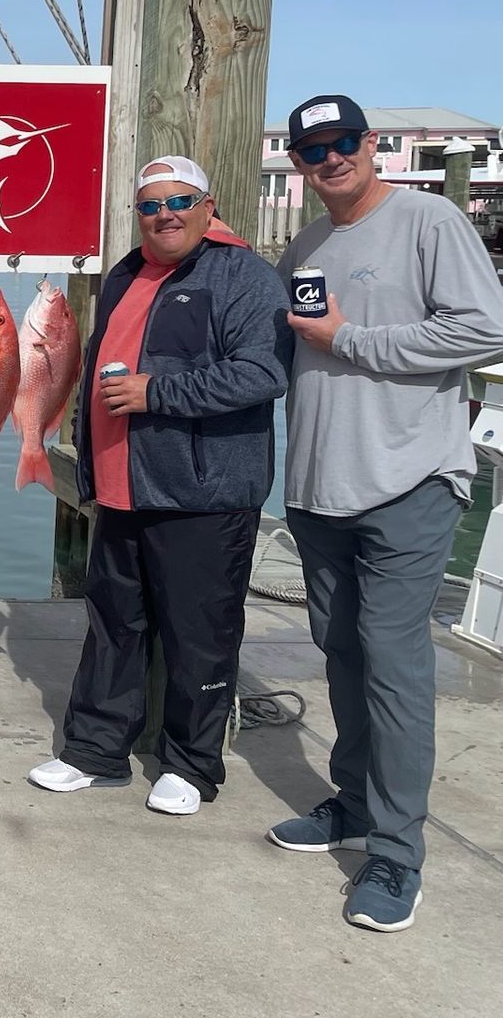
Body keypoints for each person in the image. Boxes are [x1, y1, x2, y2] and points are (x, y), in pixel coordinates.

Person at [268, 94, 503, 932]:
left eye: (342, 143)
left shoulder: (429, 220)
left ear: (371, 145)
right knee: (340, 655)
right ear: (298, 163)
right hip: (318, 492)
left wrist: (354, 340)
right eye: (311, 150)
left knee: (396, 667)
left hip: (409, 482)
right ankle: (357, 801)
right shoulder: (305, 242)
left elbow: (486, 329)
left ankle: (396, 857)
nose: (329, 159)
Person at [30, 155, 292, 816]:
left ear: (209, 205)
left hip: (204, 493)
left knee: (198, 632)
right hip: (122, 488)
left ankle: (192, 764)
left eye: (178, 201)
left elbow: (262, 373)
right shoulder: (126, 273)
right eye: (150, 205)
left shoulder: (246, 277)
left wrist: (157, 392)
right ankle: (93, 751)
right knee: (113, 624)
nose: (164, 215)